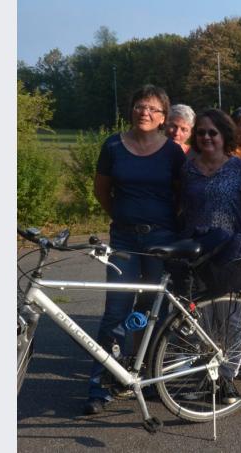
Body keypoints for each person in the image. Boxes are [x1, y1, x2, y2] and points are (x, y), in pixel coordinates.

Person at [86, 85, 186, 415]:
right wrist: (124, 219)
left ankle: (148, 376)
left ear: (163, 117)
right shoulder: (113, 145)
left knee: (152, 310)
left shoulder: (173, 152)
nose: (144, 112)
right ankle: (100, 384)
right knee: (116, 309)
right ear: (131, 111)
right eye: (139, 106)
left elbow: (180, 194)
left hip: (161, 240)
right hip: (125, 241)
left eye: (152, 109)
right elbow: (102, 191)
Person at [180, 108, 241, 404]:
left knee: (231, 317)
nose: (206, 137)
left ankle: (227, 378)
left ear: (224, 135)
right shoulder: (188, 169)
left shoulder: (239, 168)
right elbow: (180, 206)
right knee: (202, 319)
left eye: (212, 132)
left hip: (230, 249)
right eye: (201, 132)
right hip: (196, 250)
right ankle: (206, 377)